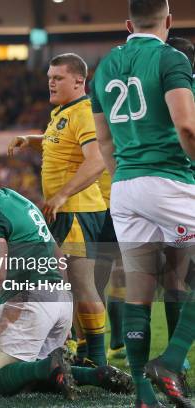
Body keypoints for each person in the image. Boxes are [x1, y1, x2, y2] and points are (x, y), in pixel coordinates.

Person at [0, 157, 133, 400]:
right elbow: (56, 253)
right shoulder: (16, 200)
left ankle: (51, 366)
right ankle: (94, 375)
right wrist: (64, 309)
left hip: (29, 301)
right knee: (30, 380)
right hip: (60, 300)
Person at [90, 1, 195, 406]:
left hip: (124, 185)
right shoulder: (170, 58)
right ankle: (170, 361)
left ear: (128, 23)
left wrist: (125, 179)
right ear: (169, 21)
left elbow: (104, 142)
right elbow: (187, 126)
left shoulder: (104, 66)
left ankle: (143, 393)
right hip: (167, 179)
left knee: (138, 286)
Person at [8, 54, 108, 368]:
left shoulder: (83, 112)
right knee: (69, 286)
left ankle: (99, 358)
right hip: (66, 211)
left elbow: (97, 160)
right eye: (49, 76)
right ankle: (84, 352)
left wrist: (64, 195)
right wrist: (31, 140)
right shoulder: (61, 113)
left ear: (79, 81)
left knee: (81, 284)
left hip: (77, 209)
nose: (51, 82)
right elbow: (56, 142)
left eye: (58, 77)